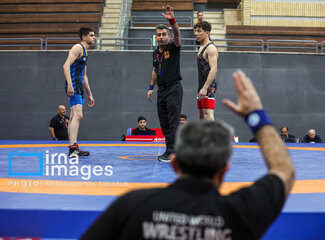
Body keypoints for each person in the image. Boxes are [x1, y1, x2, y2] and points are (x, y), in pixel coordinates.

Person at [80, 70, 295, 240]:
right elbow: (284, 171)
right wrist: (256, 116)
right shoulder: (240, 213)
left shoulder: (131, 205)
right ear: (224, 170)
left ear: (174, 164)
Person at [147, 5, 183, 162]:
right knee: (164, 122)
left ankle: (172, 152)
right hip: (161, 90)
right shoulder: (156, 52)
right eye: (158, 35)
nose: (161, 37)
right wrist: (150, 88)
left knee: (173, 121)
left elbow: (177, 34)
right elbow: (155, 70)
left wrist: (172, 21)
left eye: (163, 34)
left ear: (168, 36)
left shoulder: (173, 47)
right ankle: (170, 150)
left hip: (174, 88)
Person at [63, 27, 95, 156]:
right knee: (78, 115)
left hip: (79, 85)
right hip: (74, 84)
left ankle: (73, 147)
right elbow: (65, 65)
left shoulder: (86, 52)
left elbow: (84, 75)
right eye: (91, 35)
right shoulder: (77, 48)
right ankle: (73, 148)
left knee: (73, 116)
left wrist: (90, 94)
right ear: (84, 37)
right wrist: (70, 84)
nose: (94, 38)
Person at [194, 21, 218, 120]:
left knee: (208, 114)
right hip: (202, 84)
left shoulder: (210, 48)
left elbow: (214, 70)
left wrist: (205, 87)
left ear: (207, 33)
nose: (196, 33)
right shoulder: (201, 47)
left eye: (199, 31)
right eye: (195, 31)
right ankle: (203, 135)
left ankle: (214, 136)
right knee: (201, 116)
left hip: (208, 85)